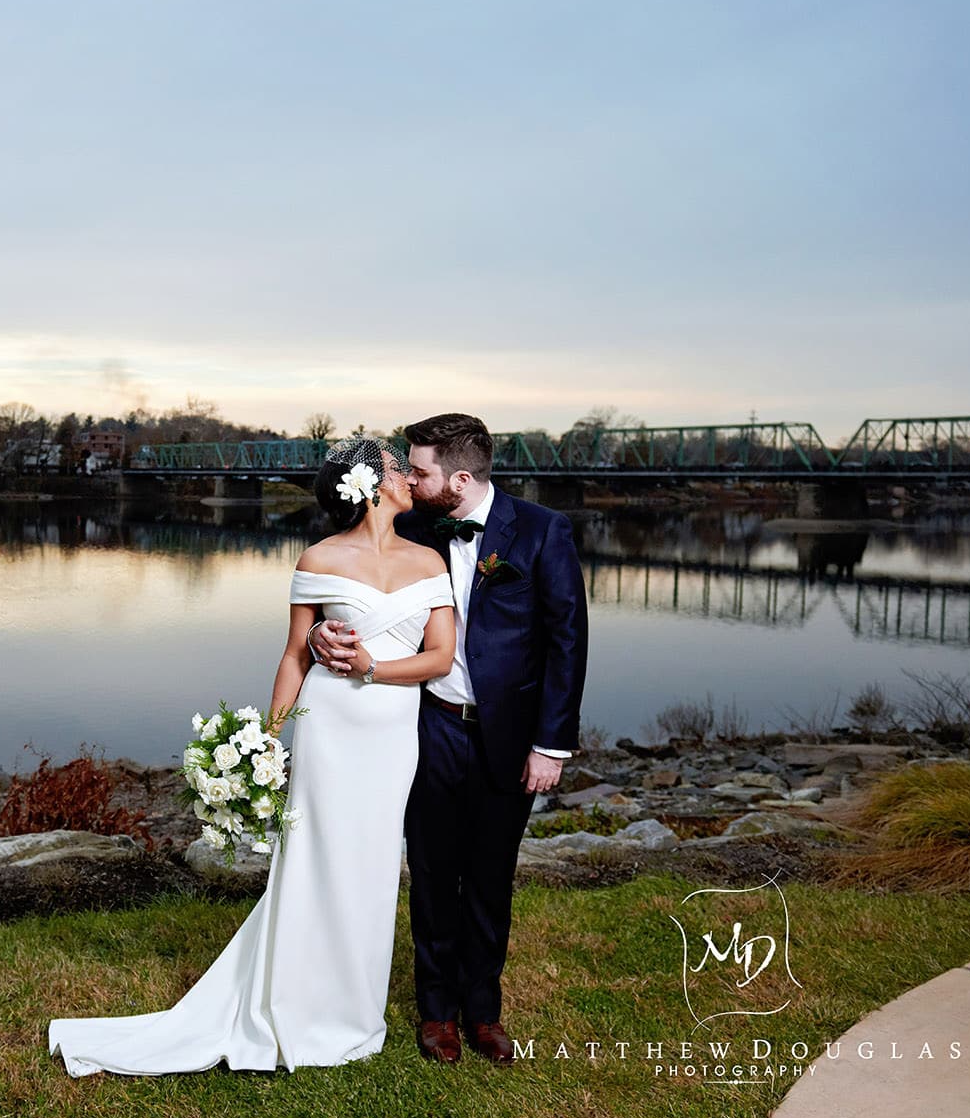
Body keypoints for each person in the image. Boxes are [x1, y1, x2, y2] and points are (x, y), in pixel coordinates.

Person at [47, 438, 456, 1075]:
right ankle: (293, 1006)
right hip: (330, 728)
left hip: (393, 731)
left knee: (374, 864)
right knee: (315, 860)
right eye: (397, 467)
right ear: (369, 486)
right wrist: (267, 741)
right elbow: (295, 655)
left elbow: (440, 659)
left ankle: (353, 1012)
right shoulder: (319, 558)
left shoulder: (429, 560)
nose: (408, 476)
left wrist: (375, 668)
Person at [310, 413, 588, 1065]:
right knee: (433, 872)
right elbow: (338, 578)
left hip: (509, 736)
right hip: (426, 725)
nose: (409, 476)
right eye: (404, 467)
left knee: (491, 876)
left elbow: (567, 640)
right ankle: (436, 1011)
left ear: (460, 478)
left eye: (421, 469)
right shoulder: (405, 523)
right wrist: (324, 631)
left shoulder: (544, 530)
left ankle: (483, 1011)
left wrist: (552, 744)